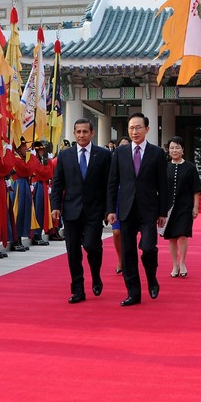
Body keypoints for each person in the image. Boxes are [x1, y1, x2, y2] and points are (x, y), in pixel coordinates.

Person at [107, 112, 167, 306]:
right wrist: (110, 209)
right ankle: (133, 293)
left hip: (148, 209)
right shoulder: (120, 153)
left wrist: (163, 212)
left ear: (147, 129)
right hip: (125, 209)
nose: (135, 131)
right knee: (128, 253)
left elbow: (162, 185)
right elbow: (112, 182)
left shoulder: (157, 153)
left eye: (138, 127)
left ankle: (151, 277)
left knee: (148, 248)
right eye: (131, 128)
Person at [51, 118, 112, 303]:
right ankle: (78, 289)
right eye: (78, 132)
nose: (81, 135)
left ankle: (96, 276)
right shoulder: (65, 155)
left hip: (95, 210)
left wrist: (109, 209)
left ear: (92, 133)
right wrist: (55, 206)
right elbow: (58, 183)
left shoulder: (103, 155)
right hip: (71, 210)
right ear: (74, 133)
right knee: (73, 250)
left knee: (92, 246)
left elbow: (110, 185)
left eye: (85, 132)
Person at [162, 136, 201, 278]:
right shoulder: (165, 166)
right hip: (168, 207)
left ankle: (183, 262)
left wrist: (195, 207)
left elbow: (196, 189)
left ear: (183, 150)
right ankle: (174, 265)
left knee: (183, 236)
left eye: (177, 147)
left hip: (185, 207)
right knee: (172, 237)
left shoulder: (190, 167)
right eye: (172, 147)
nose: (174, 150)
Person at [111, 136, 131, 274]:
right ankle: (120, 258)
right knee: (117, 232)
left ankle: (128, 260)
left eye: (126, 145)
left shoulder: (135, 160)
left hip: (130, 200)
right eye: (121, 145)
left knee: (128, 233)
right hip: (117, 200)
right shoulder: (113, 160)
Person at [28, 141, 54, 246]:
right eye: (41, 150)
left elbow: (48, 174)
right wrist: (49, 162)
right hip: (37, 184)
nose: (43, 152)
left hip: (42, 185)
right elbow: (43, 173)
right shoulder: (34, 160)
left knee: (42, 210)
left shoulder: (40, 160)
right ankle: (35, 234)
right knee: (37, 210)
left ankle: (38, 233)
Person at [10, 138, 32, 251]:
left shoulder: (22, 158)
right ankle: (15, 240)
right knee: (17, 212)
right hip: (19, 185)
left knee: (23, 212)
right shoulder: (17, 159)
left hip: (24, 184)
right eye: (23, 146)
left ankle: (19, 238)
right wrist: (31, 158)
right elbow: (27, 170)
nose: (26, 148)